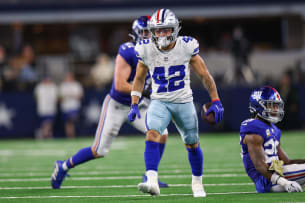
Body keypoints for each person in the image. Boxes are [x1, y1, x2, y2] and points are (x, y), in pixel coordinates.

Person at [51, 16, 169, 189]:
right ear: (136, 34)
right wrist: (146, 91)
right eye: (145, 32)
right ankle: (63, 166)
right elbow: (121, 85)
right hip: (117, 105)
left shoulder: (157, 52)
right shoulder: (127, 51)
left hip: (138, 105)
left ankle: (150, 176)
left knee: (161, 132)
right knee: (98, 150)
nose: (149, 36)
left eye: (151, 32)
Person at [128, 8, 224, 197]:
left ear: (174, 29)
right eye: (158, 30)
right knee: (152, 134)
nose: (161, 34)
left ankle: (197, 183)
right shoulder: (145, 48)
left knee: (192, 143)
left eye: (165, 30)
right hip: (159, 101)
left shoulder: (186, 46)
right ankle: (152, 180)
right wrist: (134, 102)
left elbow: (205, 76)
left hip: (183, 101)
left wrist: (216, 100)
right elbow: (139, 79)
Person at [58, 72, 84, 138]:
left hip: (74, 106)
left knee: (72, 120)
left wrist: (73, 96)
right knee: (67, 122)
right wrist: (65, 97)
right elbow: (59, 98)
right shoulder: (63, 86)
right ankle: (69, 135)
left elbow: (81, 96)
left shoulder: (77, 85)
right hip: (65, 107)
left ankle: (72, 134)